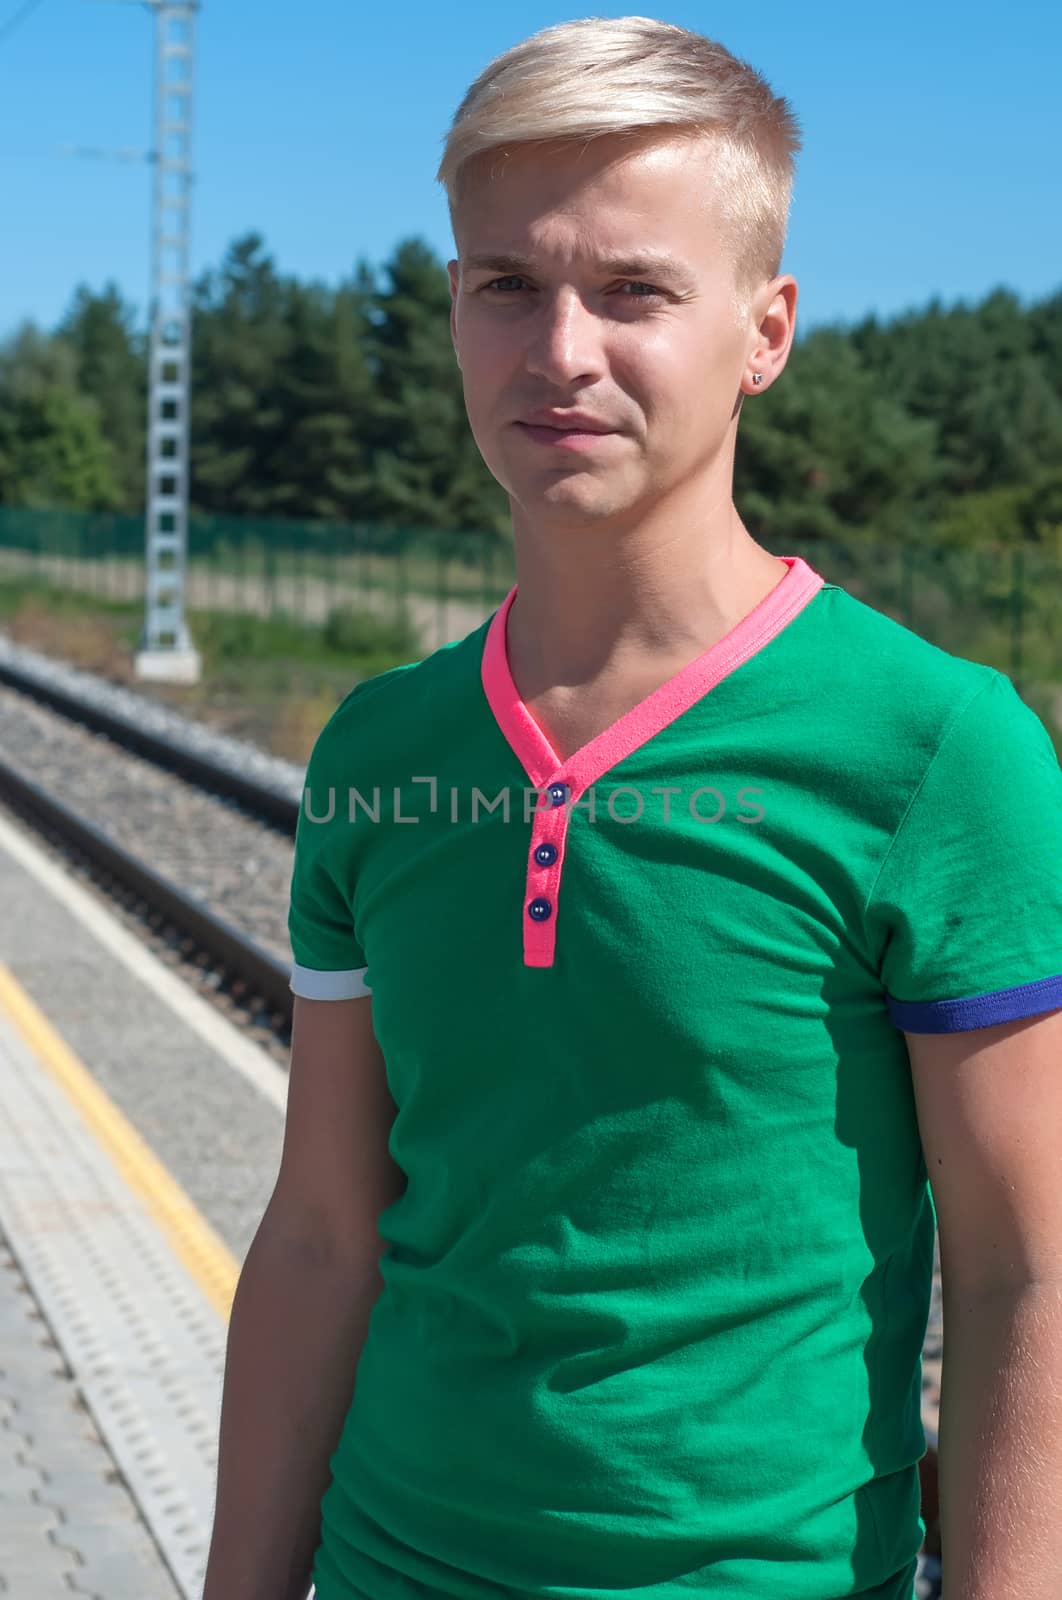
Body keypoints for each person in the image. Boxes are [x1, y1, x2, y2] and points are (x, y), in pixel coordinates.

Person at [202, 17, 1062, 1600]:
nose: (559, 351)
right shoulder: (380, 748)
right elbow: (324, 1231)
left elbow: (1026, 1281)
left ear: (766, 328)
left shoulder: (938, 750)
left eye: (635, 291)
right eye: (504, 286)